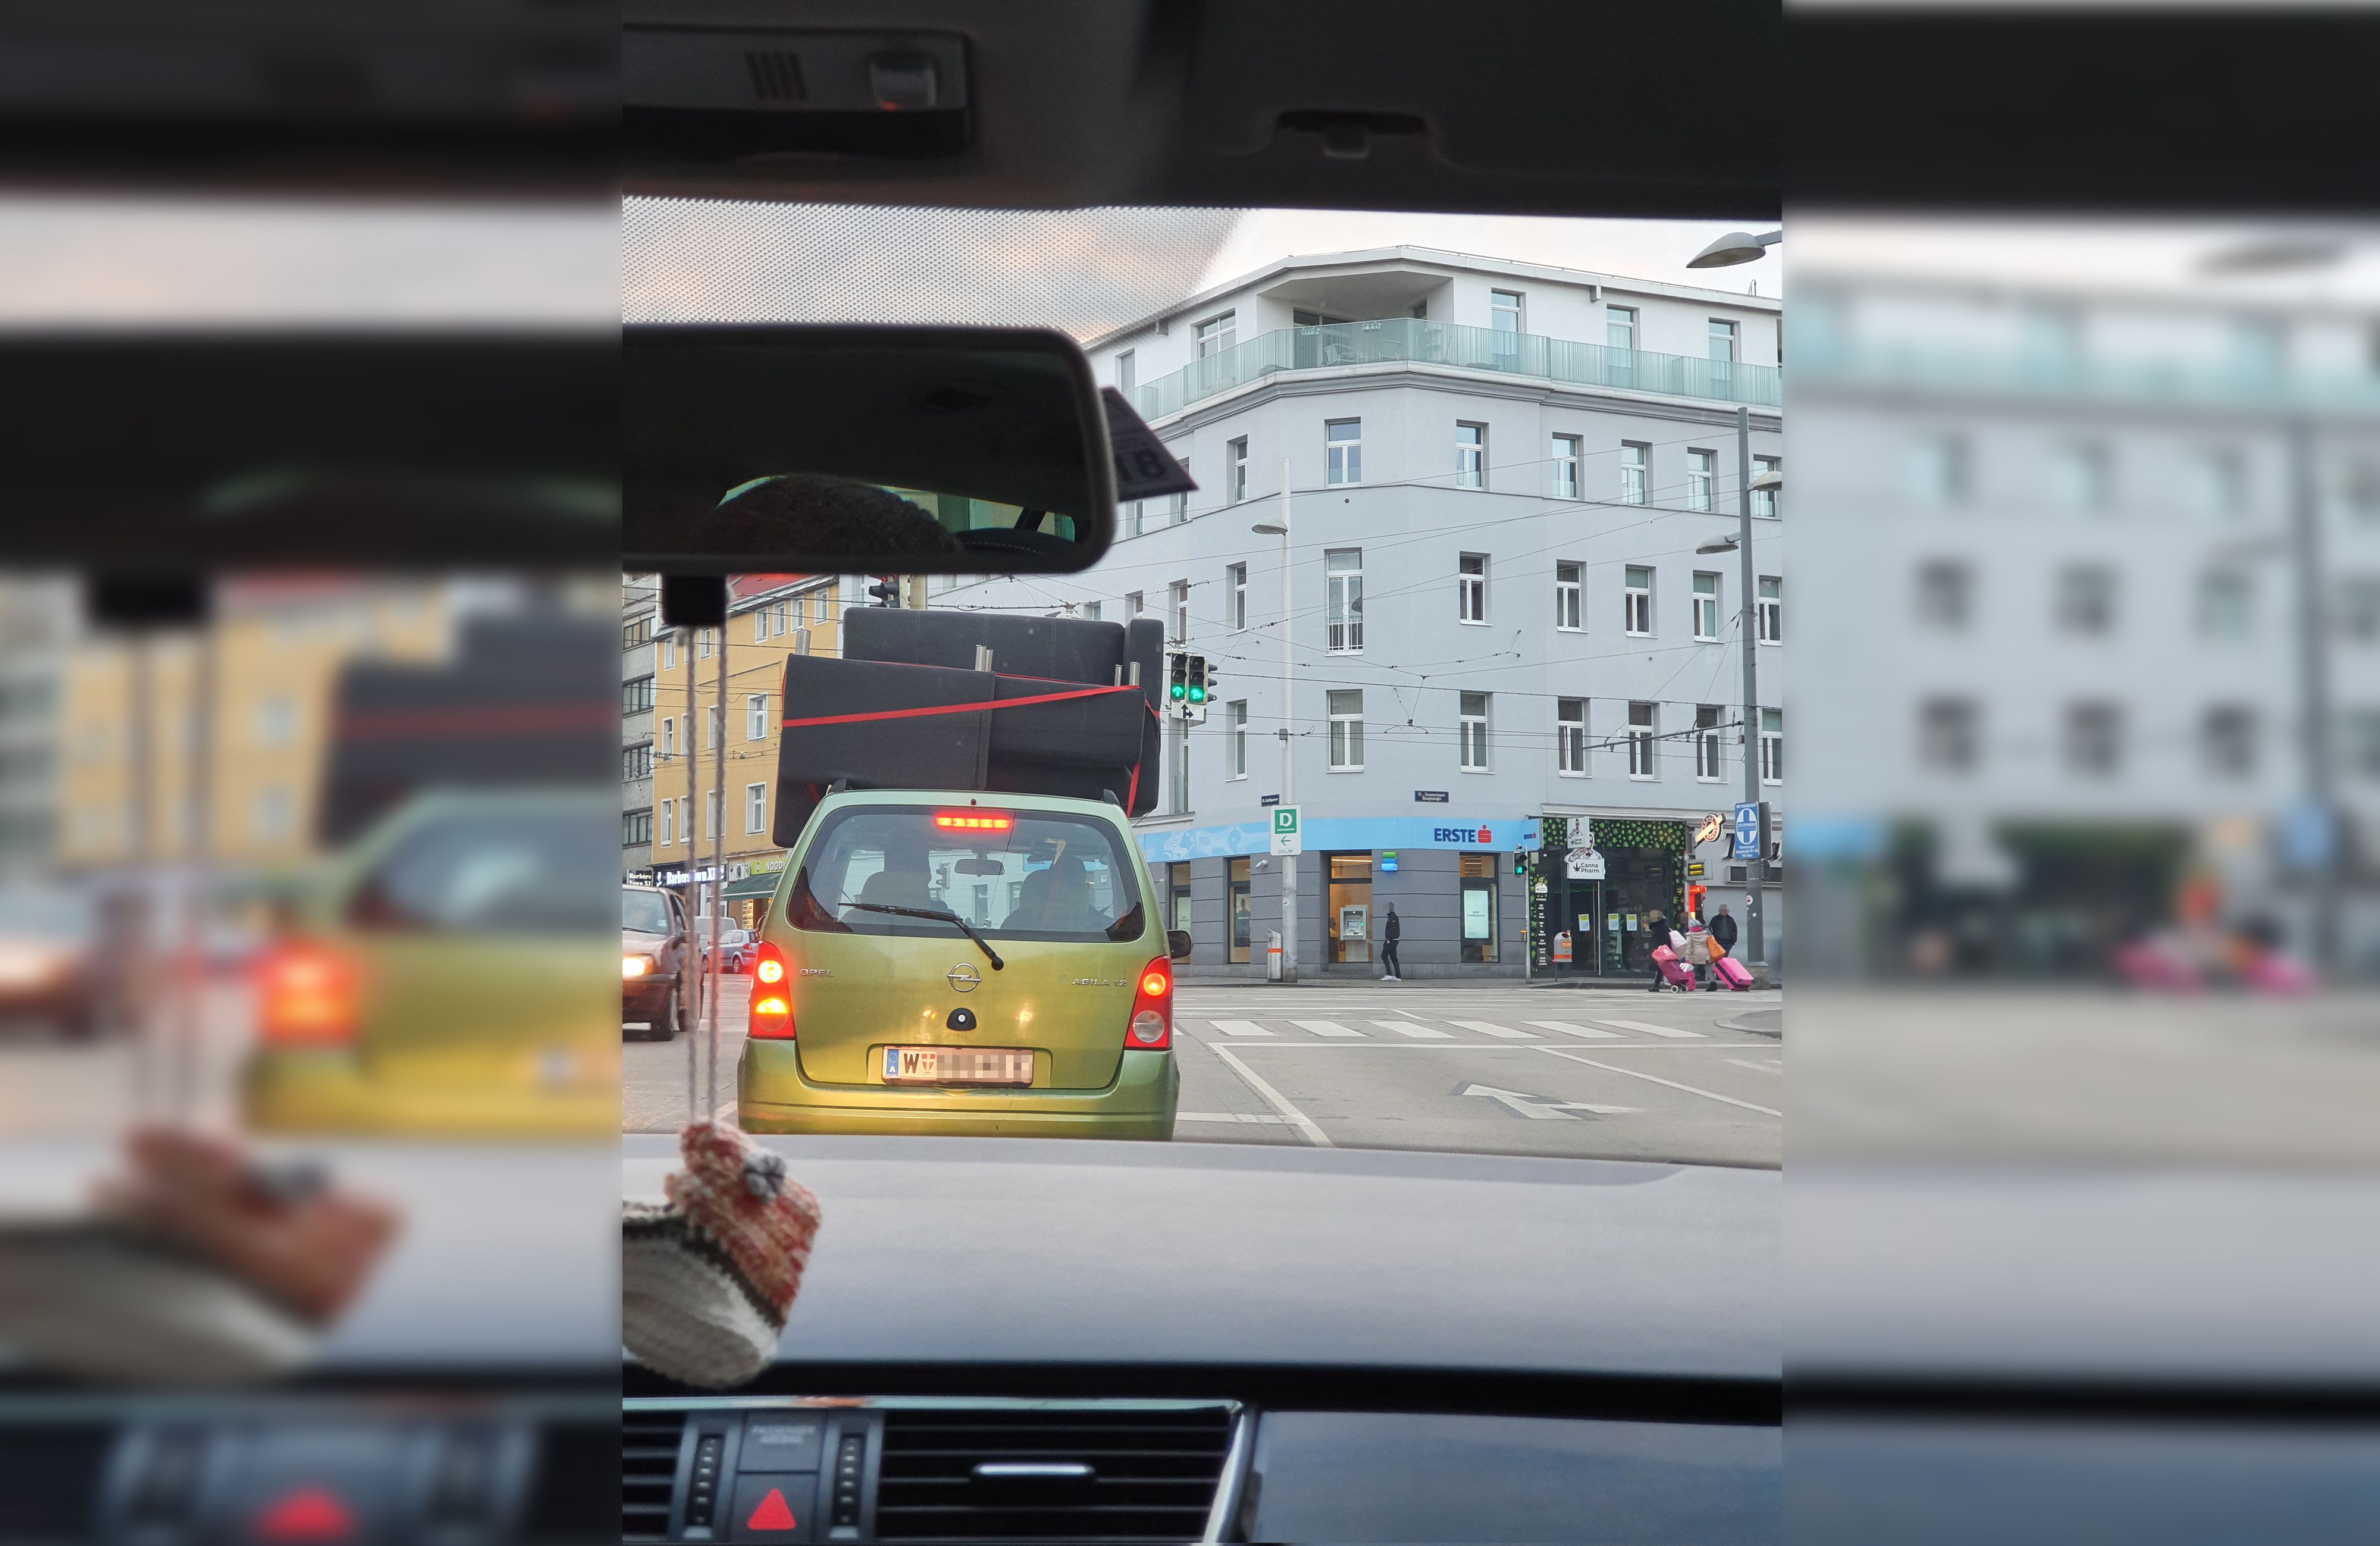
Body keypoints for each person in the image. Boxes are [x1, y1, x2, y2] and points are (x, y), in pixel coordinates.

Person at [1645, 909, 1672, 991]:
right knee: (1663, 967)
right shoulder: (1665, 927)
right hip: (1667, 950)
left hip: (1660, 950)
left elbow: (1656, 941)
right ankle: (1657, 984)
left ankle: (1657, 985)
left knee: (1661, 967)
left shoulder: (1656, 928)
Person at [1379, 906, 1402, 981]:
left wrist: (1389, 939)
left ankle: (1389, 974)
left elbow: (1393, 930)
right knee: (1394, 958)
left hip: (1391, 941)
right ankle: (1398, 976)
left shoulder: (1393, 918)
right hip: (1394, 940)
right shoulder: (1393, 917)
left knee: (1384, 956)